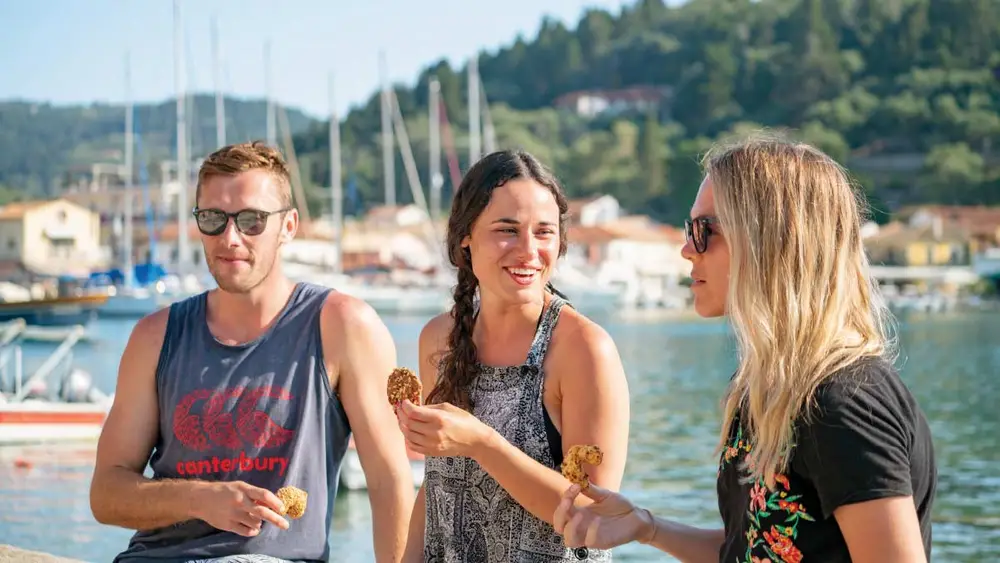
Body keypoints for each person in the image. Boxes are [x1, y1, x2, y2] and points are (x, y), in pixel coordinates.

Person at [553, 135, 937, 562]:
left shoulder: (843, 403)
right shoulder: (766, 389)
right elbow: (750, 548)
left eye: (704, 231)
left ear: (770, 238)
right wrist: (647, 527)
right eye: (688, 229)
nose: (686, 249)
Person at [90, 141, 415, 563]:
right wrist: (199, 499)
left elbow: (389, 480)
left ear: (289, 226)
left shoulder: (343, 326)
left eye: (251, 220)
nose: (230, 237)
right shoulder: (155, 337)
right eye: (212, 219)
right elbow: (106, 494)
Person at [395, 149, 631, 561]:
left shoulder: (583, 350)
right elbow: (435, 491)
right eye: (507, 230)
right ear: (466, 236)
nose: (528, 251)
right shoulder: (439, 340)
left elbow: (596, 516)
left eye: (544, 233)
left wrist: (482, 443)